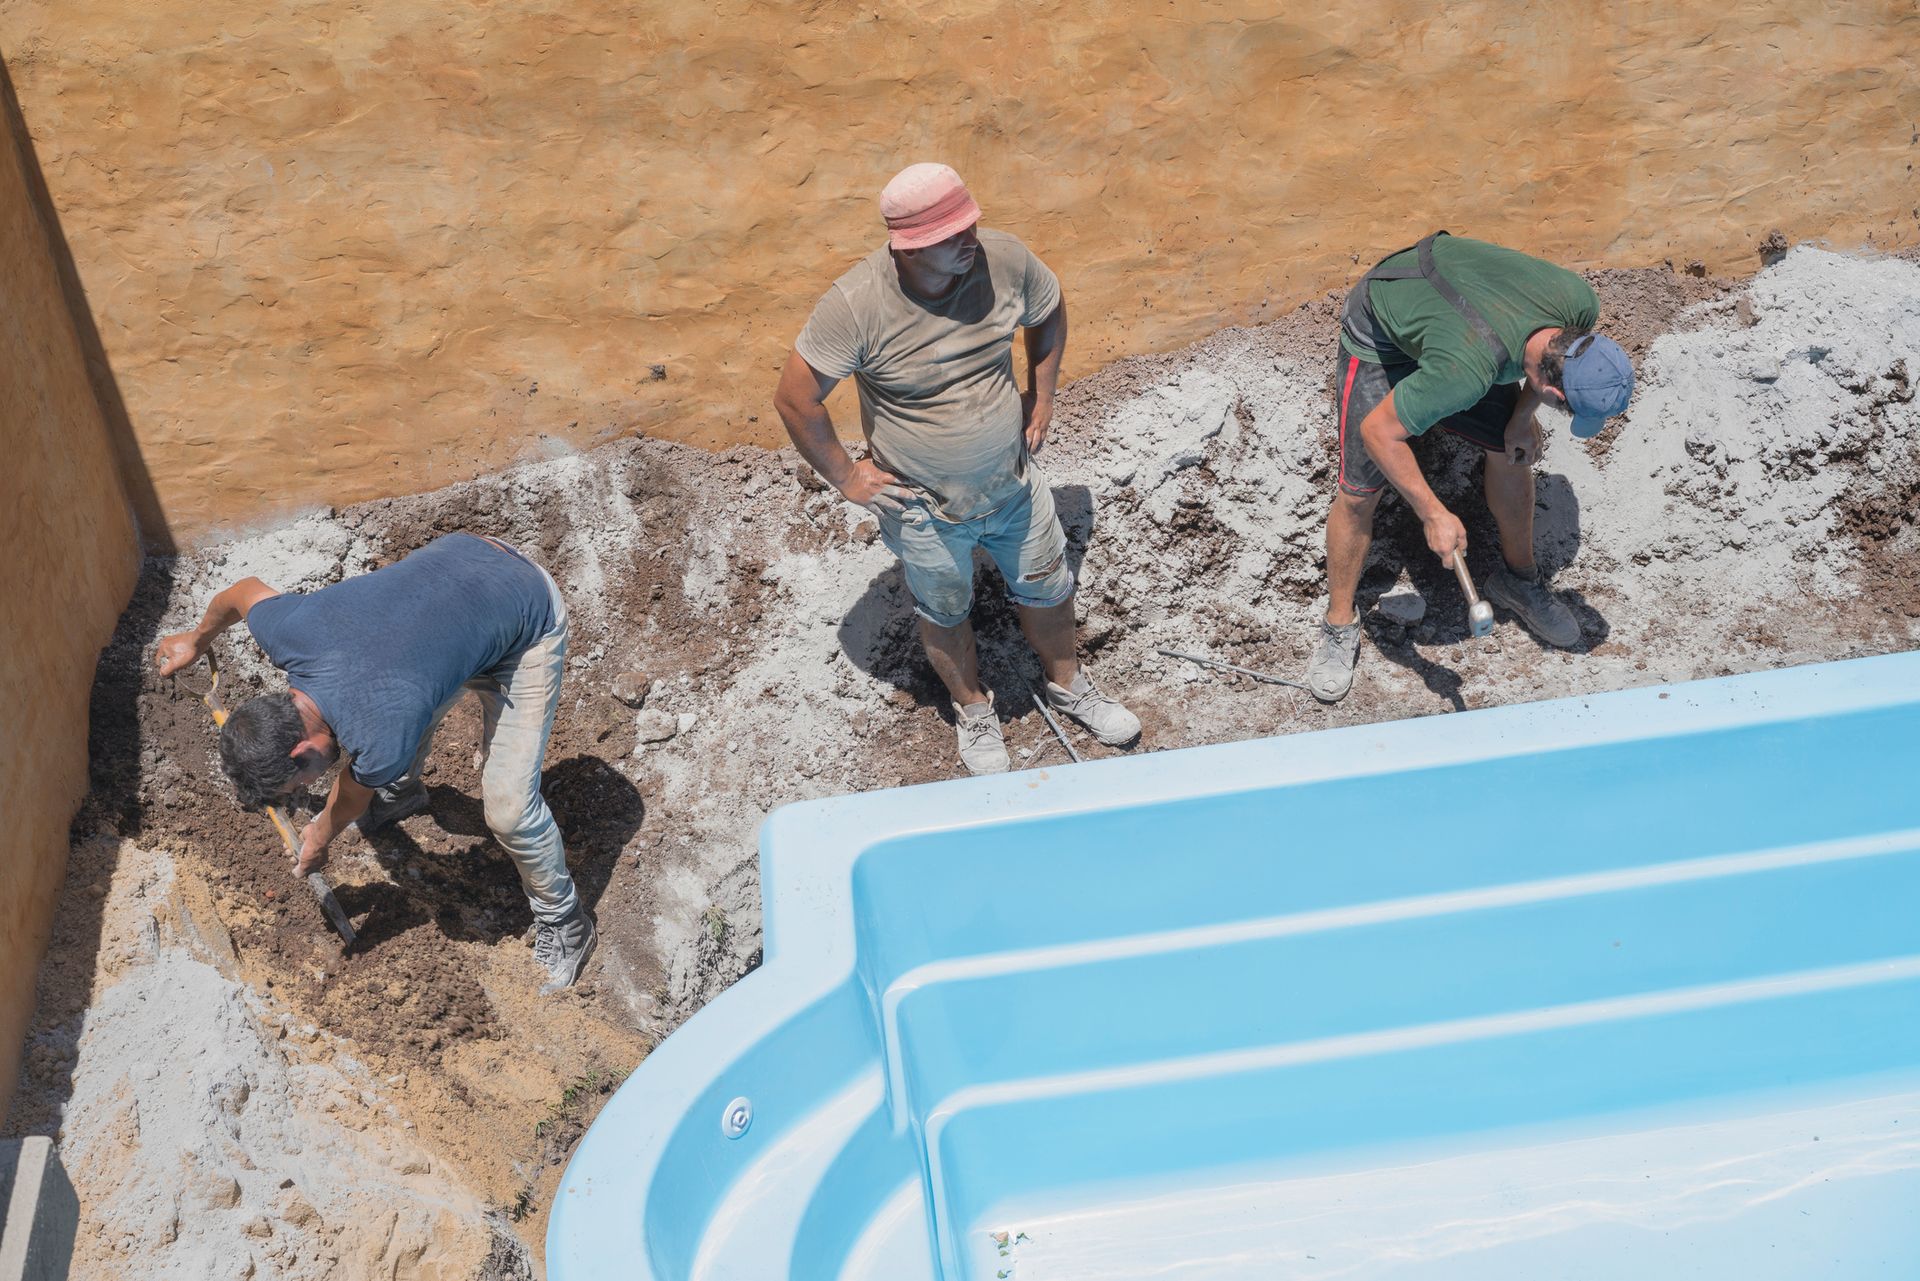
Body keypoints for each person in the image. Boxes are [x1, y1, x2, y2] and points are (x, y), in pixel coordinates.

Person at [774, 162, 1141, 774]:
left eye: (971, 225)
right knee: (945, 610)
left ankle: (1069, 686)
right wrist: (846, 476)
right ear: (909, 246)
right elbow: (795, 397)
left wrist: (1042, 393)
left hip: (1012, 486)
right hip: (923, 506)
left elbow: (1048, 309)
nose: (971, 241)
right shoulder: (857, 305)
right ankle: (974, 712)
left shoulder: (1005, 260)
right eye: (951, 236)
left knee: (1049, 588)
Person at [153, 533, 595, 993]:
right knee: (403, 704)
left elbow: (351, 794)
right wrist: (197, 639)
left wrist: (320, 835)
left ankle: (566, 920)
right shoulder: (286, 630)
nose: (305, 790)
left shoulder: (379, 729)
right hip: (460, 564)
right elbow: (242, 592)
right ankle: (403, 789)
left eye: (298, 784)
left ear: (300, 751)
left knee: (508, 810)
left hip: (525, 612)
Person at [1307, 231, 1636, 701]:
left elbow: (1533, 373)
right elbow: (1379, 433)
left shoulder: (1578, 307)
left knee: (1511, 451)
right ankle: (1339, 622)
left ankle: (1517, 582)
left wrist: (1522, 419)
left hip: (1454, 327)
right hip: (1383, 331)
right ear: (1556, 391)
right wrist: (1432, 513)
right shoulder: (1468, 369)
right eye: (1564, 410)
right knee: (1360, 492)